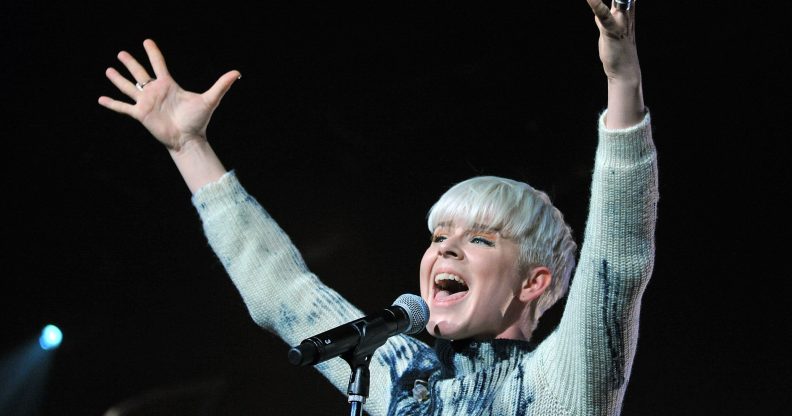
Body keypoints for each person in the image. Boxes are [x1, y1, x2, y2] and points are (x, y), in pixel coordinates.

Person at [98, 0, 657, 414]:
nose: (447, 250)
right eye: (440, 237)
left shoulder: (561, 387)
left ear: (534, 283)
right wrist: (188, 147)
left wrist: (622, 80)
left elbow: (617, 262)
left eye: (480, 239)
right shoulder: (398, 374)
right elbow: (283, 292)